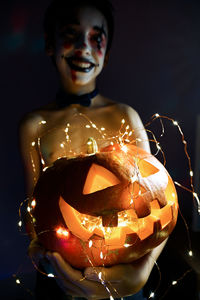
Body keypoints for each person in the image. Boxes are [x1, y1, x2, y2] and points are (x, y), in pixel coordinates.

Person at [19, 0, 166, 298]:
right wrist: (43, 254)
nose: (83, 48)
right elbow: (34, 213)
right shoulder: (34, 125)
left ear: (107, 54)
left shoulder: (125, 116)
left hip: (126, 272)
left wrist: (140, 272)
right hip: (62, 280)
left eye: (95, 38)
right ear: (50, 44)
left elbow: (159, 201)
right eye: (71, 35)